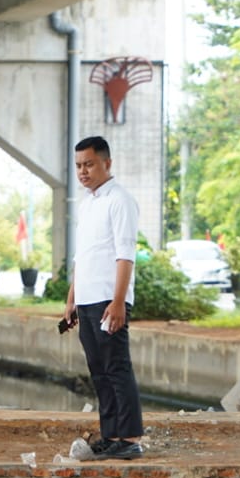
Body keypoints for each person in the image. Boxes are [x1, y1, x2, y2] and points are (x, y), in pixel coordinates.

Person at [63, 136, 144, 460]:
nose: (83, 171)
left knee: (117, 368)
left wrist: (119, 301)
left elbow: (125, 255)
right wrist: (72, 299)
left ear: (106, 164)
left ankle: (130, 438)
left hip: (109, 299)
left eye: (89, 164)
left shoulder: (119, 200)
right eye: (79, 165)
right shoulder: (87, 203)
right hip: (87, 298)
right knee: (98, 370)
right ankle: (111, 435)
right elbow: (82, 257)